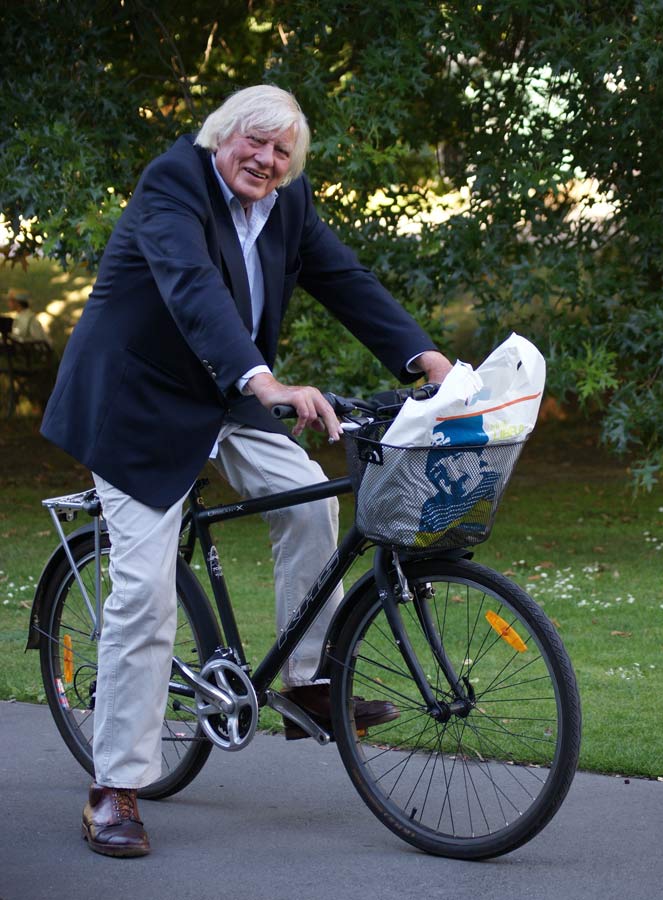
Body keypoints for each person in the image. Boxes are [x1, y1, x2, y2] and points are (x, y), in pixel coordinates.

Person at [41, 84, 452, 858]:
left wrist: (429, 360)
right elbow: (192, 291)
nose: (265, 159)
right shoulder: (173, 183)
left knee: (310, 503)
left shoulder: (288, 207)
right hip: (136, 407)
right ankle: (115, 788)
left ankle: (305, 685)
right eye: (253, 142)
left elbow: (346, 281)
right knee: (145, 594)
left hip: (220, 398)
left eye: (281, 151)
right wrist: (263, 381)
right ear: (220, 135)